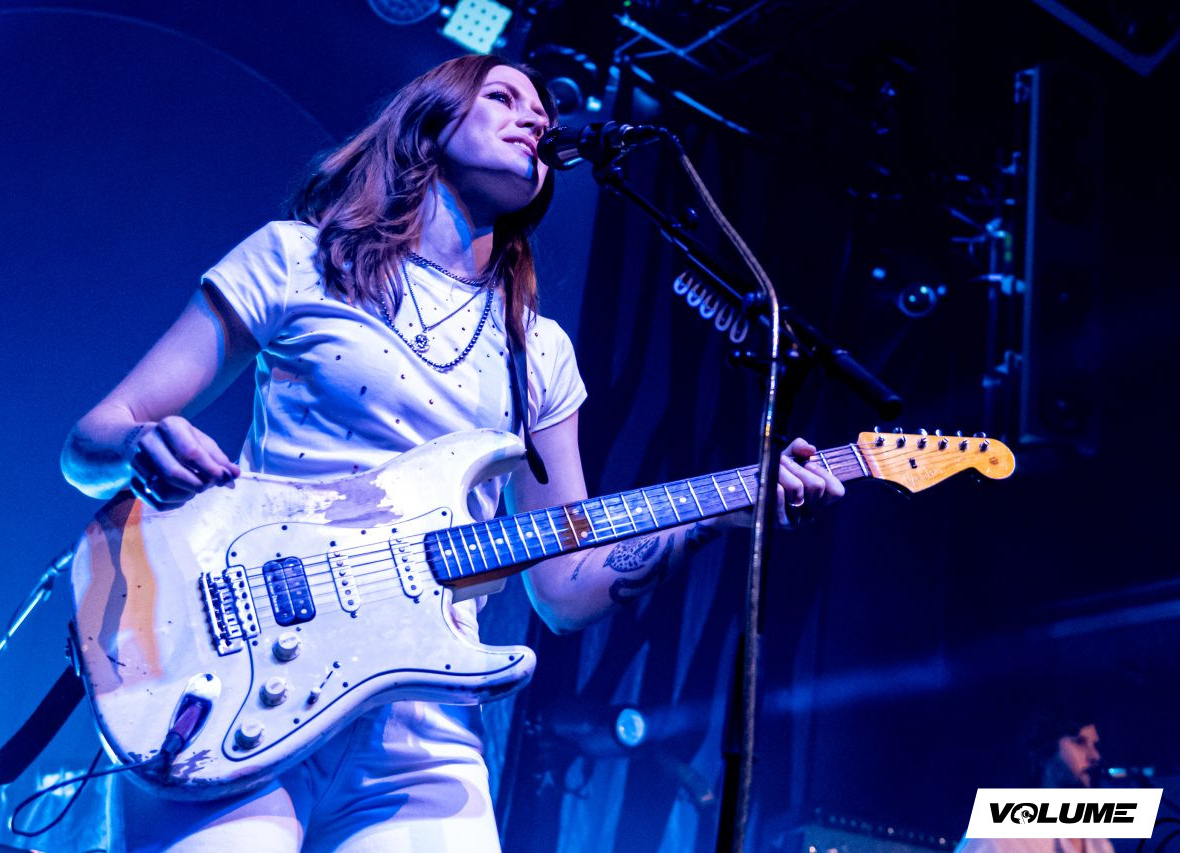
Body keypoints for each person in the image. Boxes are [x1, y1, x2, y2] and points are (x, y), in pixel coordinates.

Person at [61, 54, 845, 853]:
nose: (535, 120)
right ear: (430, 122)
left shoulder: (540, 352)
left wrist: (720, 512)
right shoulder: (299, 260)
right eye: (503, 98)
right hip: (243, 672)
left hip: (422, 728)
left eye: (543, 116)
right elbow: (90, 442)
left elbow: (564, 588)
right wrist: (141, 443)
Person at [955, 715, 1109, 853]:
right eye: (1079, 742)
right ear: (1045, 750)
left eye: (1095, 745)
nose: (1095, 756)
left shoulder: (1099, 842)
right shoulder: (1001, 832)